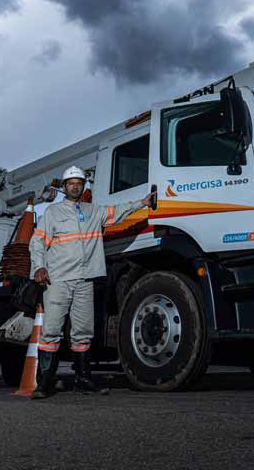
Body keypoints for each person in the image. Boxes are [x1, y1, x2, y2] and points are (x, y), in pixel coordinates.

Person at [28, 166, 154, 399]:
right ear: (64, 187)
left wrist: (143, 202)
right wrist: (39, 267)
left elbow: (119, 212)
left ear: (84, 186)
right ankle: (44, 383)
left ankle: (83, 379)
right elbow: (36, 243)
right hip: (58, 280)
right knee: (51, 331)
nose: (75, 186)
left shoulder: (94, 211)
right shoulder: (52, 213)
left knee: (83, 333)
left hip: (85, 280)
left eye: (79, 182)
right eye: (71, 183)